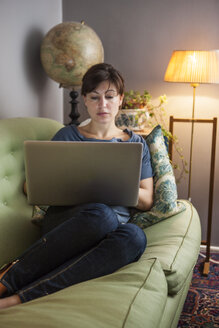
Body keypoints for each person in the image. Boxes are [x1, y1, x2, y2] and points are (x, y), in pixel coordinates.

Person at [0, 63, 153, 310]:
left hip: (114, 230)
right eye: (95, 97)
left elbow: (146, 198)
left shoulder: (135, 143)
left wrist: (110, 186)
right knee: (101, 215)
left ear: (120, 99)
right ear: (85, 100)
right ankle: (5, 282)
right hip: (69, 225)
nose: (102, 104)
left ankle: (18, 299)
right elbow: (31, 188)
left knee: (135, 237)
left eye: (110, 96)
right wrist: (72, 185)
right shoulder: (66, 136)